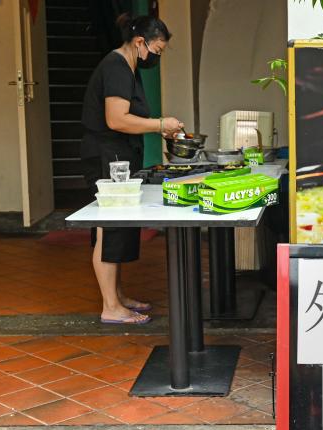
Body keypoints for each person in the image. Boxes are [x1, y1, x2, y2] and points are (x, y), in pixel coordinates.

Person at [80, 14, 183, 324]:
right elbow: (116, 119)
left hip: (119, 156)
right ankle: (110, 307)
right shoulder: (115, 67)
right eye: (158, 50)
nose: (157, 56)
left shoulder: (128, 66)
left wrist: (157, 126)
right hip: (106, 156)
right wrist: (160, 124)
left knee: (119, 230)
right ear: (140, 43)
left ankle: (118, 296)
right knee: (107, 229)